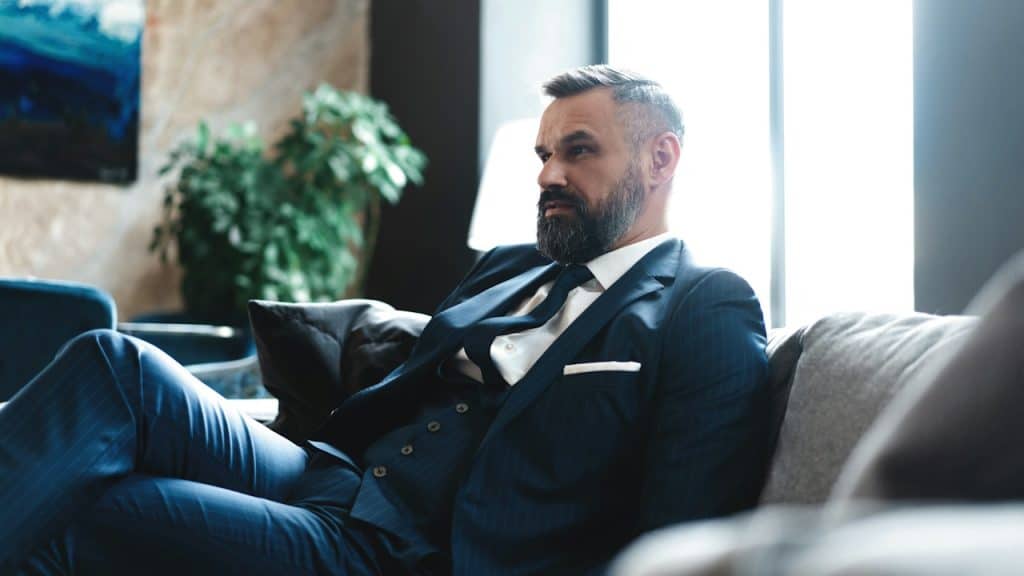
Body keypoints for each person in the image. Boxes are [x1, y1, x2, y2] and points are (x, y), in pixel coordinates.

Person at [0, 65, 770, 575]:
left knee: (102, 510)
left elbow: (689, 541)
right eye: (542, 153)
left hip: (399, 552)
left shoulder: (703, 305)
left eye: (578, 150)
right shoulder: (512, 264)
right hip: (327, 473)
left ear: (660, 159)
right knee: (115, 363)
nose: (547, 175)